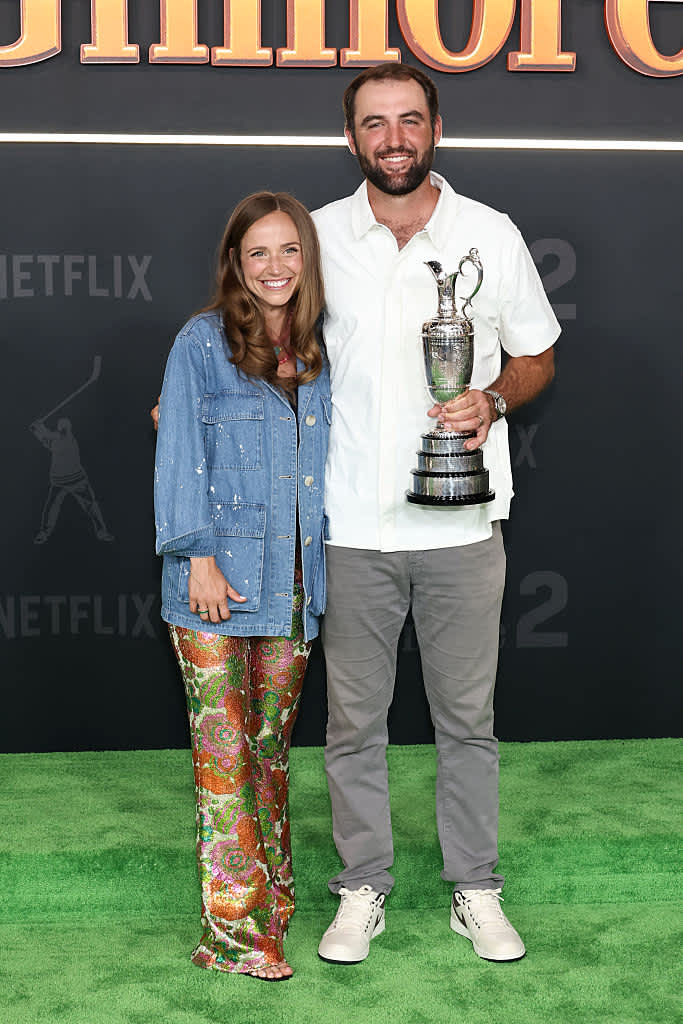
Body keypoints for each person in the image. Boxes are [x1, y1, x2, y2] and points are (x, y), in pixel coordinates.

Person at [312, 64, 559, 965]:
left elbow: (536, 354)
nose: (392, 138)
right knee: (352, 727)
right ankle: (361, 887)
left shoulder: (488, 233)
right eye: (374, 123)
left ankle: (475, 888)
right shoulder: (315, 236)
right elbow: (261, 346)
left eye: (408, 120)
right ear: (351, 139)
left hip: (460, 527)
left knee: (466, 723)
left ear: (435, 127)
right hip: (347, 527)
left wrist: (491, 398)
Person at [154, 192, 330, 980]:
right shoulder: (200, 342)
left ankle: (275, 903)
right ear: (235, 263)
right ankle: (231, 935)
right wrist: (195, 554)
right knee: (223, 760)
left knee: (268, 754)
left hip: (293, 586)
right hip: (213, 587)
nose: (273, 267)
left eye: (287, 250)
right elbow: (179, 447)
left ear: (307, 258)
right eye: (256, 252)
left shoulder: (325, 350)